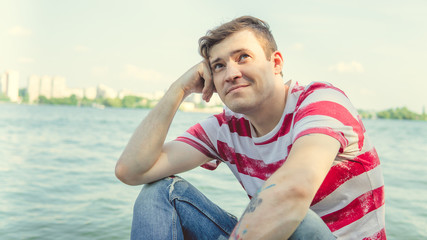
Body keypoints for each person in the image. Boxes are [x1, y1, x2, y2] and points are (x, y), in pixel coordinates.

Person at [115, 16, 386, 240]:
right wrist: (179, 89)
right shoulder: (226, 129)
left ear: (276, 63)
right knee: (161, 192)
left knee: (289, 214)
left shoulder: (321, 102)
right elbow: (132, 170)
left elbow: (294, 189)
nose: (231, 73)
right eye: (218, 66)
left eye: (243, 57)